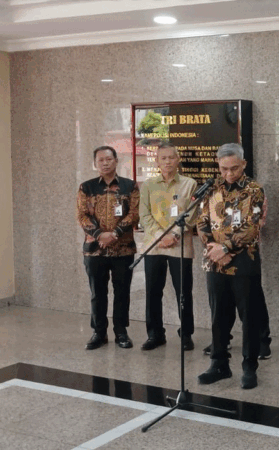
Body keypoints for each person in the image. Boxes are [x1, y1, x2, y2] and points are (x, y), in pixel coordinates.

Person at [197, 143, 267, 390]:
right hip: (215, 263)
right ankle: (219, 365)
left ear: (244, 164)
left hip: (244, 262)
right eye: (224, 168)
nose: (229, 173)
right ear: (218, 165)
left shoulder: (254, 190)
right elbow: (202, 221)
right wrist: (214, 249)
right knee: (218, 315)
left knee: (249, 316)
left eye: (234, 168)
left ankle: (249, 366)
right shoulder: (210, 188)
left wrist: (225, 248)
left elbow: (252, 226)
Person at [77, 145, 140, 350]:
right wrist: (99, 235)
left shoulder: (130, 186)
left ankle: (121, 332)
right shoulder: (86, 187)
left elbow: (134, 214)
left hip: (123, 249)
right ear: (95, 164)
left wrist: (114, 234)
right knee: (98, 293)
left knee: (122, 292)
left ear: (116, 161)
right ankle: (99, 332)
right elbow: (82, 215)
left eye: (109, 159)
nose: (105, 163)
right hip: (95, 250)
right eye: (101, 160)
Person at [139, 143, 197, 351]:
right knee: (153, 292)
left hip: (180, 245)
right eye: (163, 158)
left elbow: (192, 214)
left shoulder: (190, 184)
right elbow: (144, 215)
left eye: (171, 157)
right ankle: (155, 334)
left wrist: (174, 235)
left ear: (178, 159)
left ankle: (186, 334)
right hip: (154, 246)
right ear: (157, 161)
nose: (167, 161)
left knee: (184, 292)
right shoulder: (148, 185)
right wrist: (160, 236)